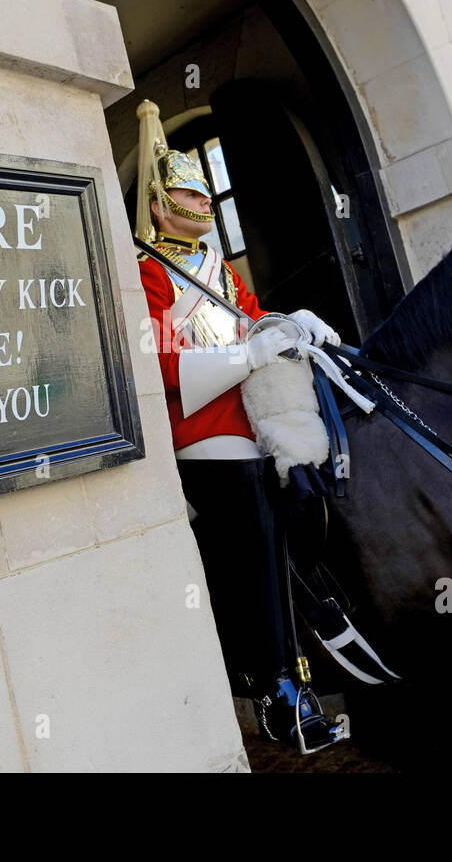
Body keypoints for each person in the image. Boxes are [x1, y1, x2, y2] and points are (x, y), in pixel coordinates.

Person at [132, 99, 347, 752]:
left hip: (249, 420)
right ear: (159, 205)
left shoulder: (219, 270)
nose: (200, 205)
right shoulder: (147, 272)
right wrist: (246, 353)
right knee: (254, 538)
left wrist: (290, 322)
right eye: (186, 196)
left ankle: (309, 668)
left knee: (298, 517)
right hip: (201, 426)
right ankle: (276, 691)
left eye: (203, 195)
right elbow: (162, 361)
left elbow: (251, 319)